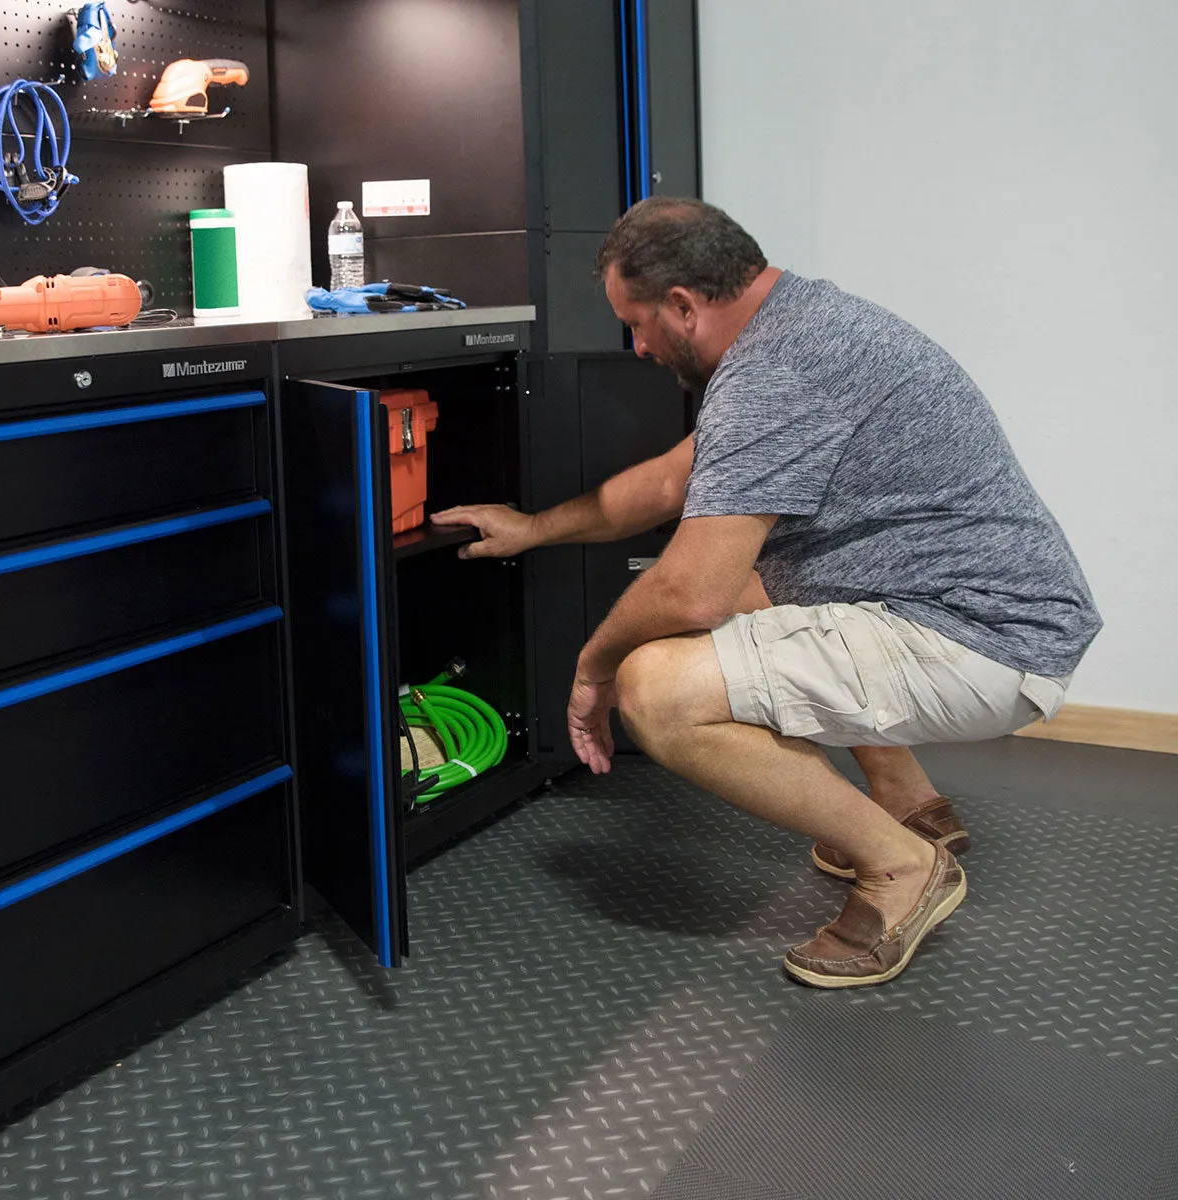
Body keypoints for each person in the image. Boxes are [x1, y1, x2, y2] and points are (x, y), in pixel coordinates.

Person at [431, 197, 1101, 989]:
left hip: (983, 642)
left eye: (638, 323)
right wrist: (535, 527)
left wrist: (594, 667)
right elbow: (677, 477)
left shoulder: (777, 373)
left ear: (685, 304)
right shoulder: (804, 322)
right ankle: (910, 802)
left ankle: (902, 867)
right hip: (991, 612)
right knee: (771, 590)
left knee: (657, 689)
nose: (638, 347)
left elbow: (690, 594)